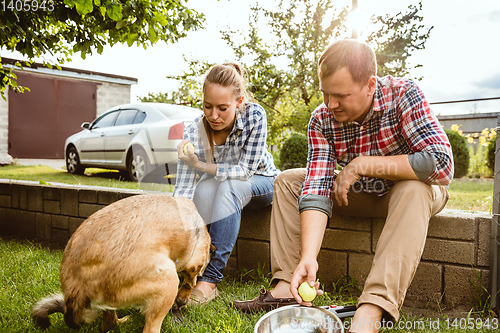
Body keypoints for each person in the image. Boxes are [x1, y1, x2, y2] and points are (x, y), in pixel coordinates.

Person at [232, 39, 453, 333]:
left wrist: (362, 164)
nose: (330, 104)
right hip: (357, 194)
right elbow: (317, 185)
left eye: (340, 95)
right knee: (288, 181)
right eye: (325, 93)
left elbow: (441, 164)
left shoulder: (404, 95)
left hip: (408, 194)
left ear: (370, 85)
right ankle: (287, 287)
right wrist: (308, 257)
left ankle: (372, 310)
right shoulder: (322, 119)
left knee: (413, 189)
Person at [173, 63, 279, 305]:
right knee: (204, 187)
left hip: (262, 181)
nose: (213, 116)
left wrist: (202, 167)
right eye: (207, 106)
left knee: (227, 185)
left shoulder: (254, 116)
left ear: (239, 101)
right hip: (225, 187)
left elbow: (244, 171)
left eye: (222, 108)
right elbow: (183, 193)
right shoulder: (195, 133)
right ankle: (194, 266)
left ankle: (210, 281)